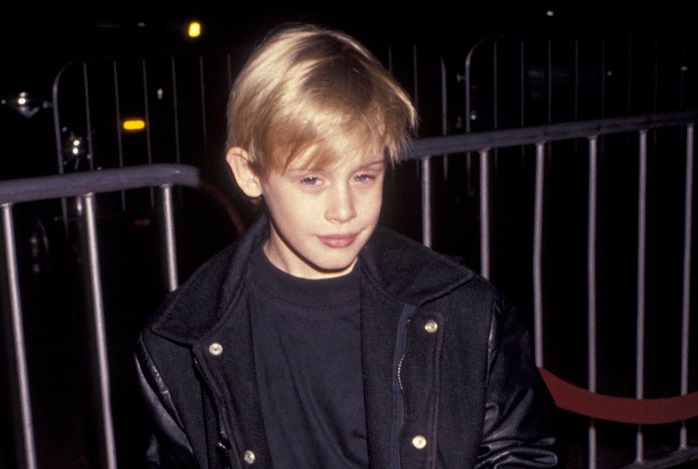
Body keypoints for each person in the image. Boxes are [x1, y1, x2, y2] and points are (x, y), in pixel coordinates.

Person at [134, 22, 565, 468]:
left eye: (363, 176)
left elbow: (525, 452)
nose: (344, 209)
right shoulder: (178, 342)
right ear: (248, 173)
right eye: (312, 179)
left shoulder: (465, 311)